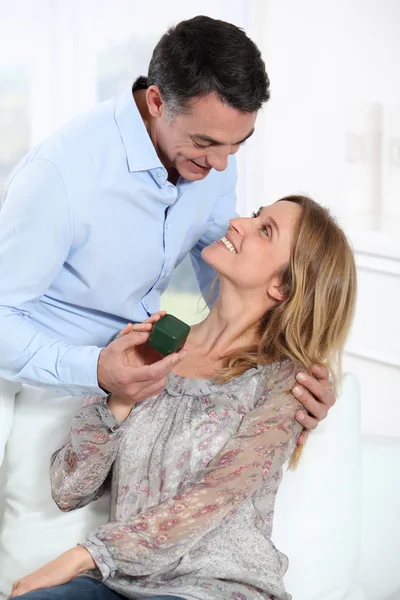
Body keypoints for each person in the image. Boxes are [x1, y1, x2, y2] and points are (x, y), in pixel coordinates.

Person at [0, 16, 334, 441]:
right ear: (157, 101)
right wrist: (97, 369)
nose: (220, 164)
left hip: (150, 380)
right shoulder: (60, 175)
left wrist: (294, 374)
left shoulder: (212, 156)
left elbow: (229, 264)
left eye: (237, 144)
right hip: (52, 387)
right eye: (205, 143)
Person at [9, 196, 357, 600]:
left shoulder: (286, 385)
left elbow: (214, 496)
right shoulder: (150, 348)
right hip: (118, 584)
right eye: (256, 215)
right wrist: (119, 396)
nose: (238, 222)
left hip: (217, 589)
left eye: (265, 230)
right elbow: (68, 489)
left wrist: (82, 556)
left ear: (282, 285)